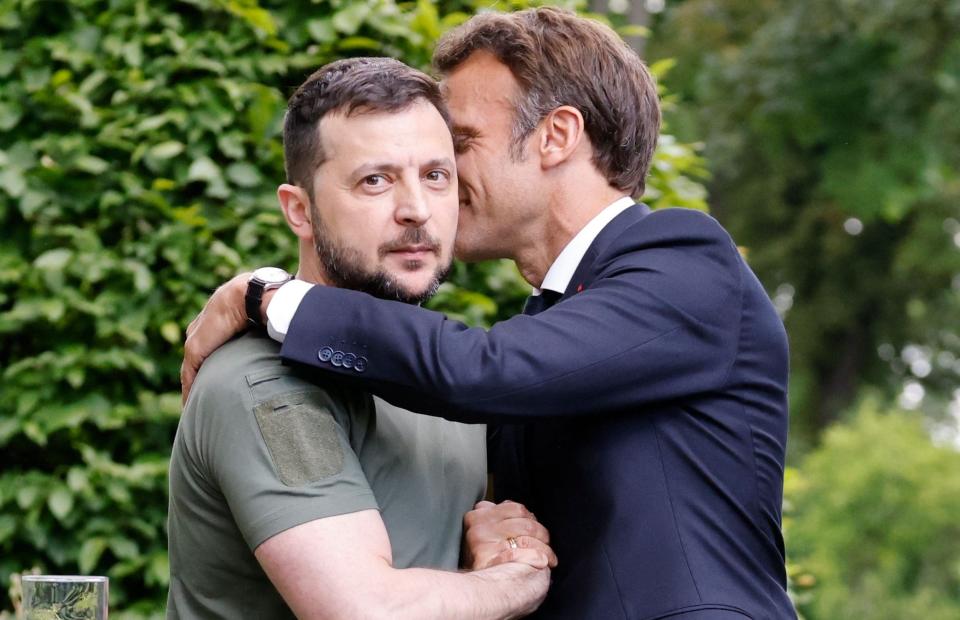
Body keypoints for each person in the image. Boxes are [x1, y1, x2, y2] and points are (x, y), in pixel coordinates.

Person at [183, 7, 796, 620]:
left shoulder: (685, 260)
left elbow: (481, 369)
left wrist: (268, 296)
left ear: (555, 137)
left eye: (460, 146)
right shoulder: (551, 327)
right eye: (377, 180)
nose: (428, 198)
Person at [167, 57, 555, 620]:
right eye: (375, 180)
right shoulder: (268, 385)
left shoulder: (440, 372)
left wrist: (496, 540)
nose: (416, 210)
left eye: (435, 176)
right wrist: (516, 579)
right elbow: (366, 612)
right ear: (299, 210)